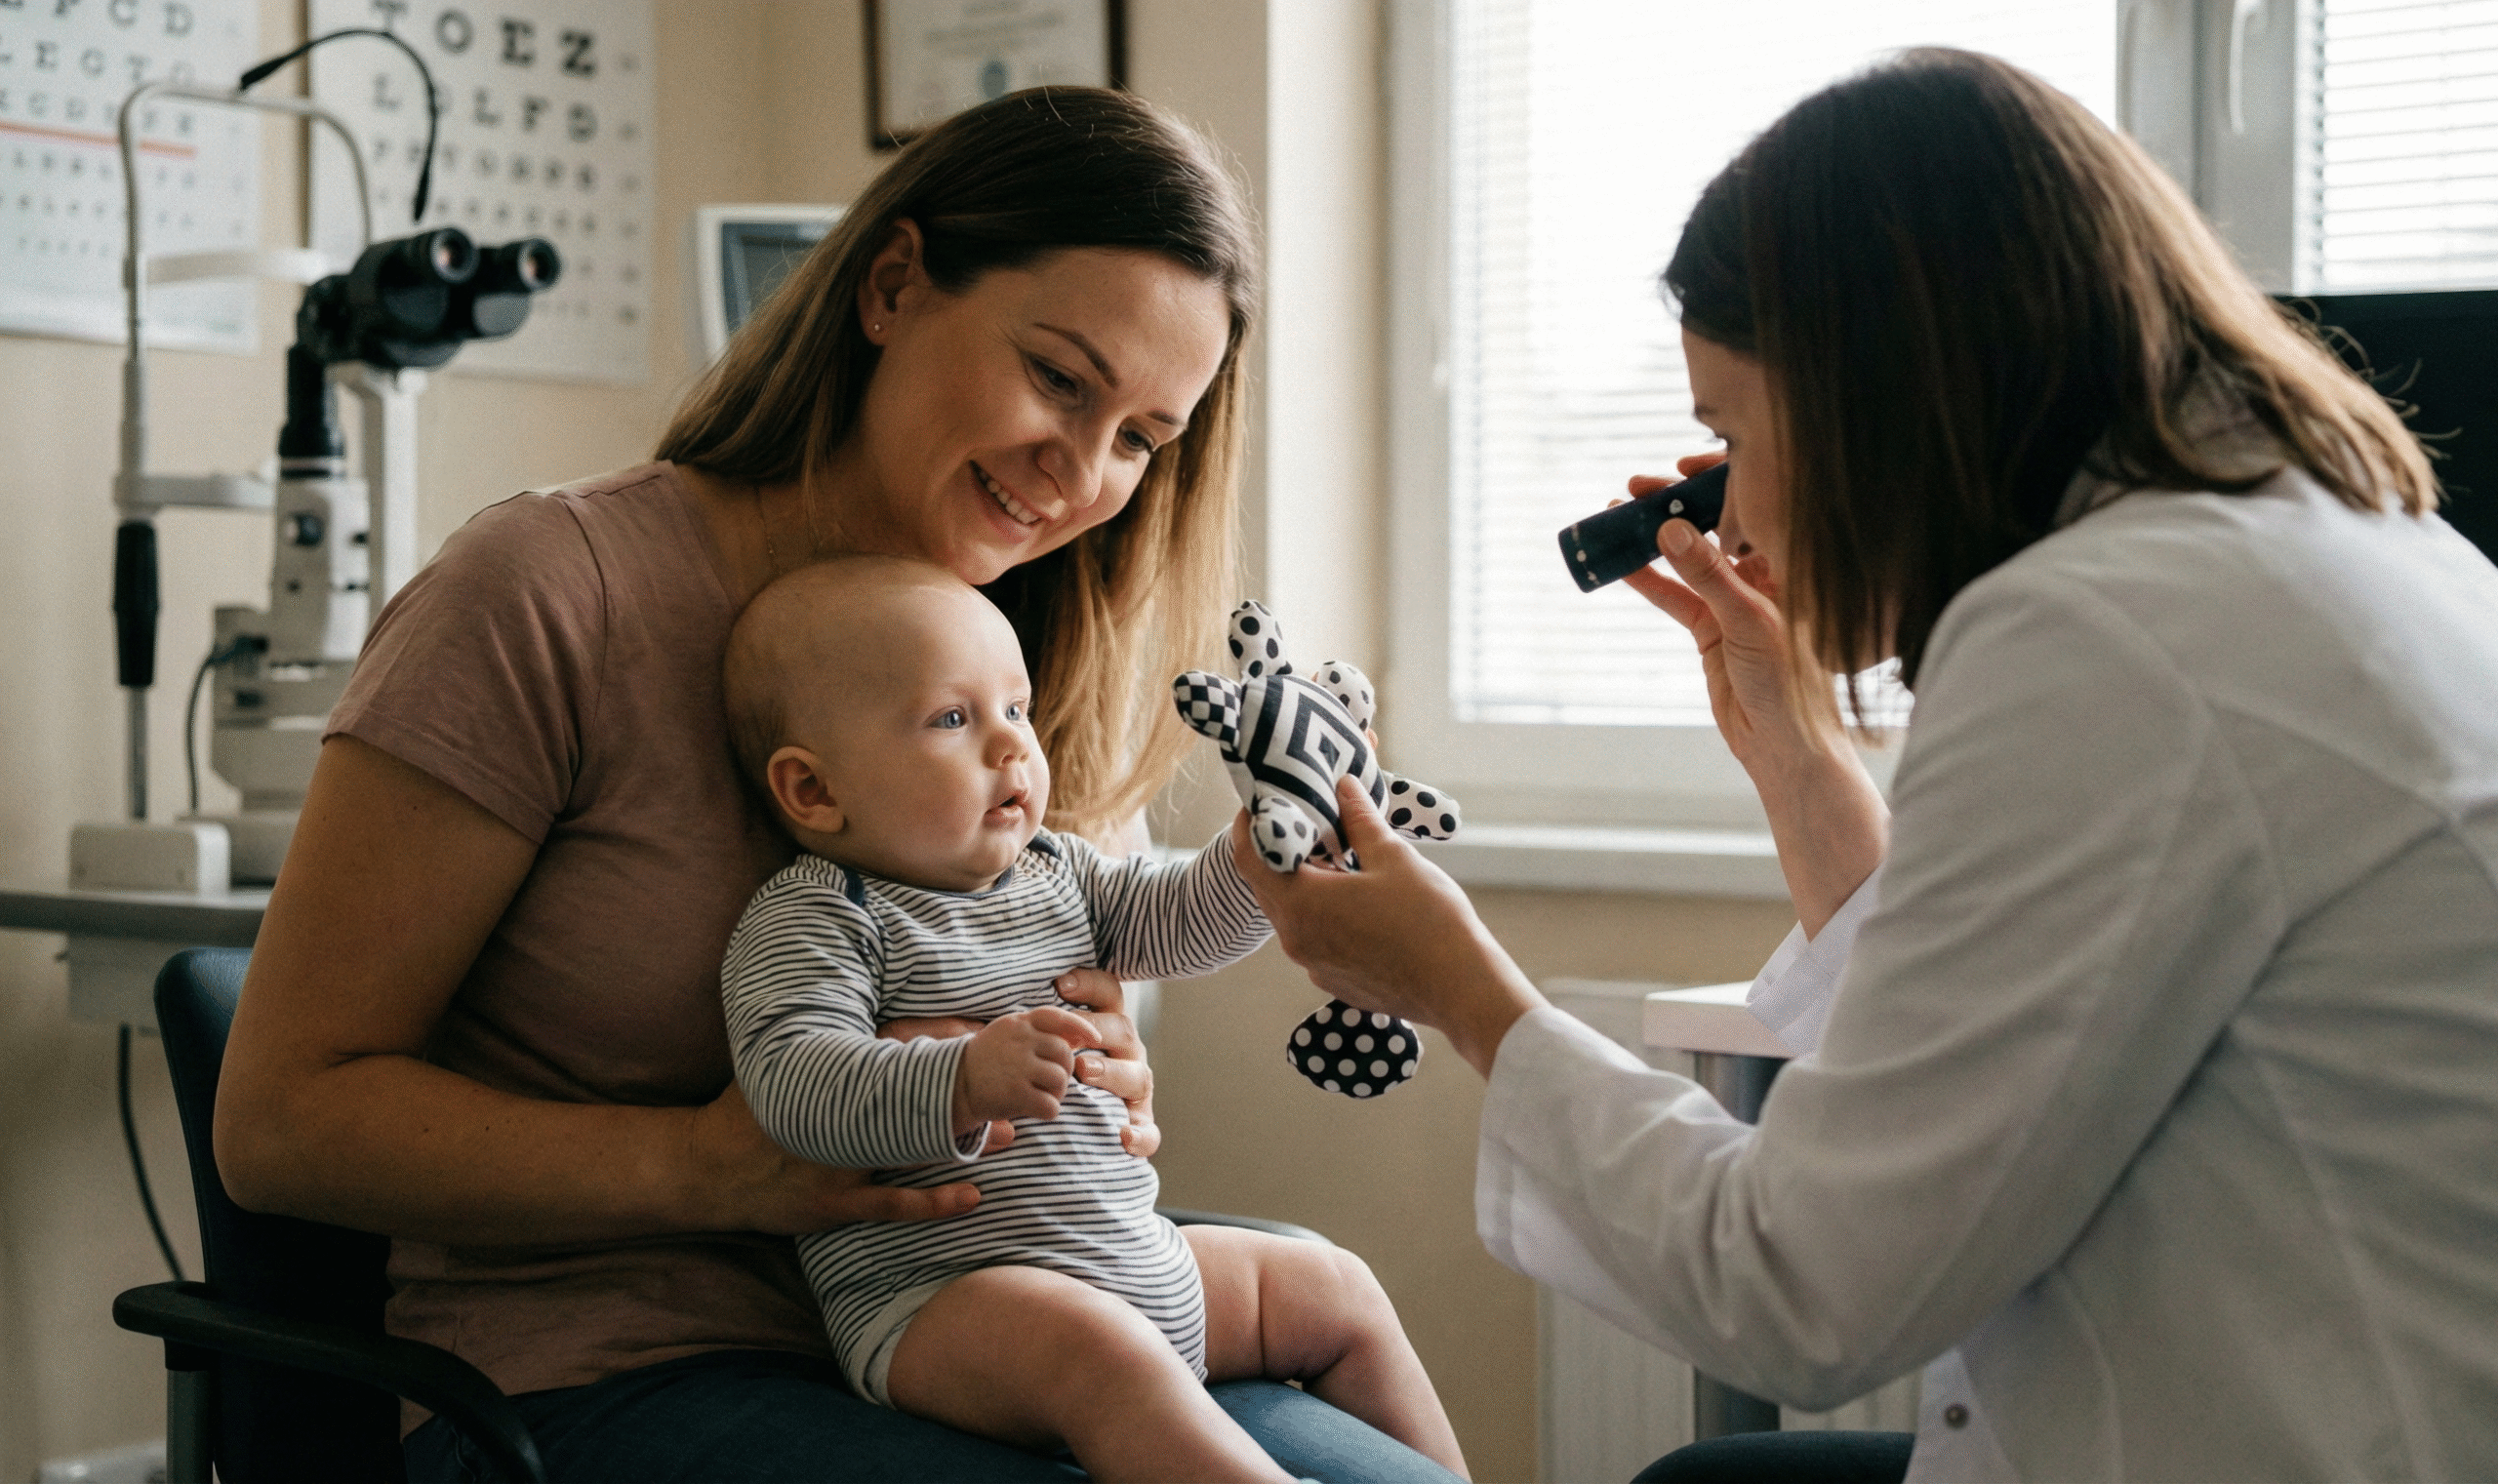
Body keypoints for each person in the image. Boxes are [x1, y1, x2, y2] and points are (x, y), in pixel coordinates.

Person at [1240, 49, 2498, 1483]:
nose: (1741, 504)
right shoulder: (2329, 545)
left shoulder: (2103, 633)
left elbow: (1799, 1284)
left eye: (1733, 434)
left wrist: (1461, 990)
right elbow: (1991, 1042)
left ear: (1877, 394)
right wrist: (1797, 753)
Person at [213, 87, 1453, 1483]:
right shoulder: (548, 597)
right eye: (1059, 379)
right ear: (893, 285)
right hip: (598, 1377)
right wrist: (708, 1163)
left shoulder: (1008, 650)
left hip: (1008, 1309)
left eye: (1140, 439)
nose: (1085, 473)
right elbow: (279, 1124)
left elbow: (1073, 963)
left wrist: (1099, 1076)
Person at [716, 558, 1469, 1483]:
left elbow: (1176, 924)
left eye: (1016, 709)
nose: (1009, 747)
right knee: (1104, 1353)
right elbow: (794, 1083)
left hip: (1136, 1259)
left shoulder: (1057, 870)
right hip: (945, 1302)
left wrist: (1256, 853)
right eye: (954, 719)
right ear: (813, 792)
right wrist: (958, 1078)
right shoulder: (822, 914)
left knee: (1337, 1287)